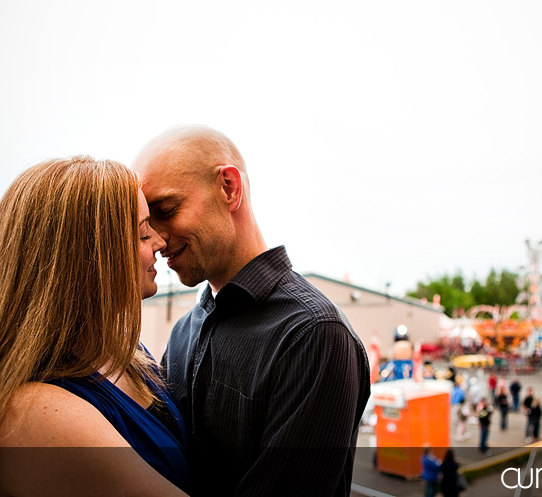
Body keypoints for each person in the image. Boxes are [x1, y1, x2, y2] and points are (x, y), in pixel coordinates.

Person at [0, 157, 190, 496]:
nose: (159, 241)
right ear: (90, 258)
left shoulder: (127, 354)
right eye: (142, 233)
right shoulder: (34, 416)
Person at [133, 125, 371, 496]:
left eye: (167, 210)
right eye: (148, 223)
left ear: (229, 188)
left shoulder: (313, 334)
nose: (158, 240)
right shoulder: (184, 333)